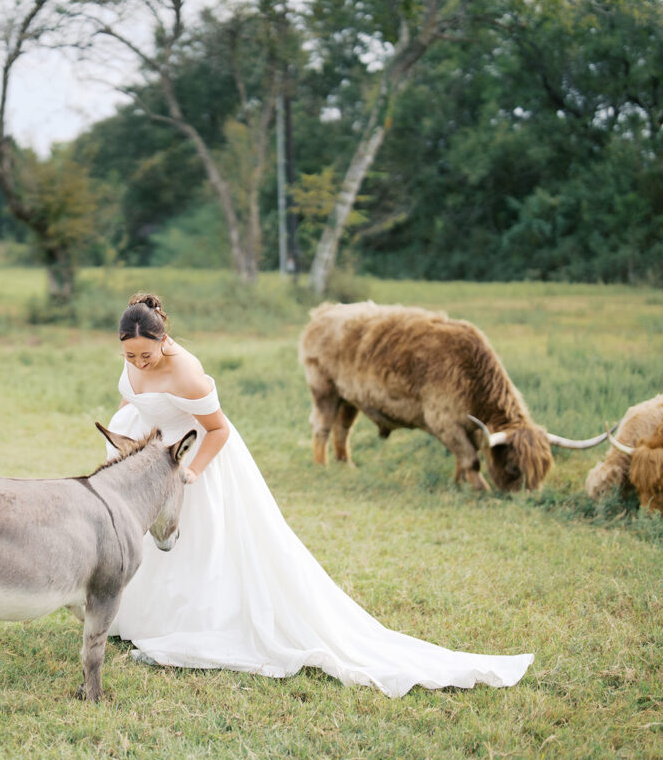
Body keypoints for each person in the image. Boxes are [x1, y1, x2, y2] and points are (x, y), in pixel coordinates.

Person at [105, 293, 534, 697]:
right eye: (130, 356)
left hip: (194, 458)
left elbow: (219, 429)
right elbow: (132, 398)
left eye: (147, 354)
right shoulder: (133, 359)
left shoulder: (187, 372)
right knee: (150, 539)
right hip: (152, 456)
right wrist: (123, 442)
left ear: (165, 340)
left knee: (202, 544)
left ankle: (200, 624)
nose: (139, 362)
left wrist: (191, 472)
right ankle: (148, 616)